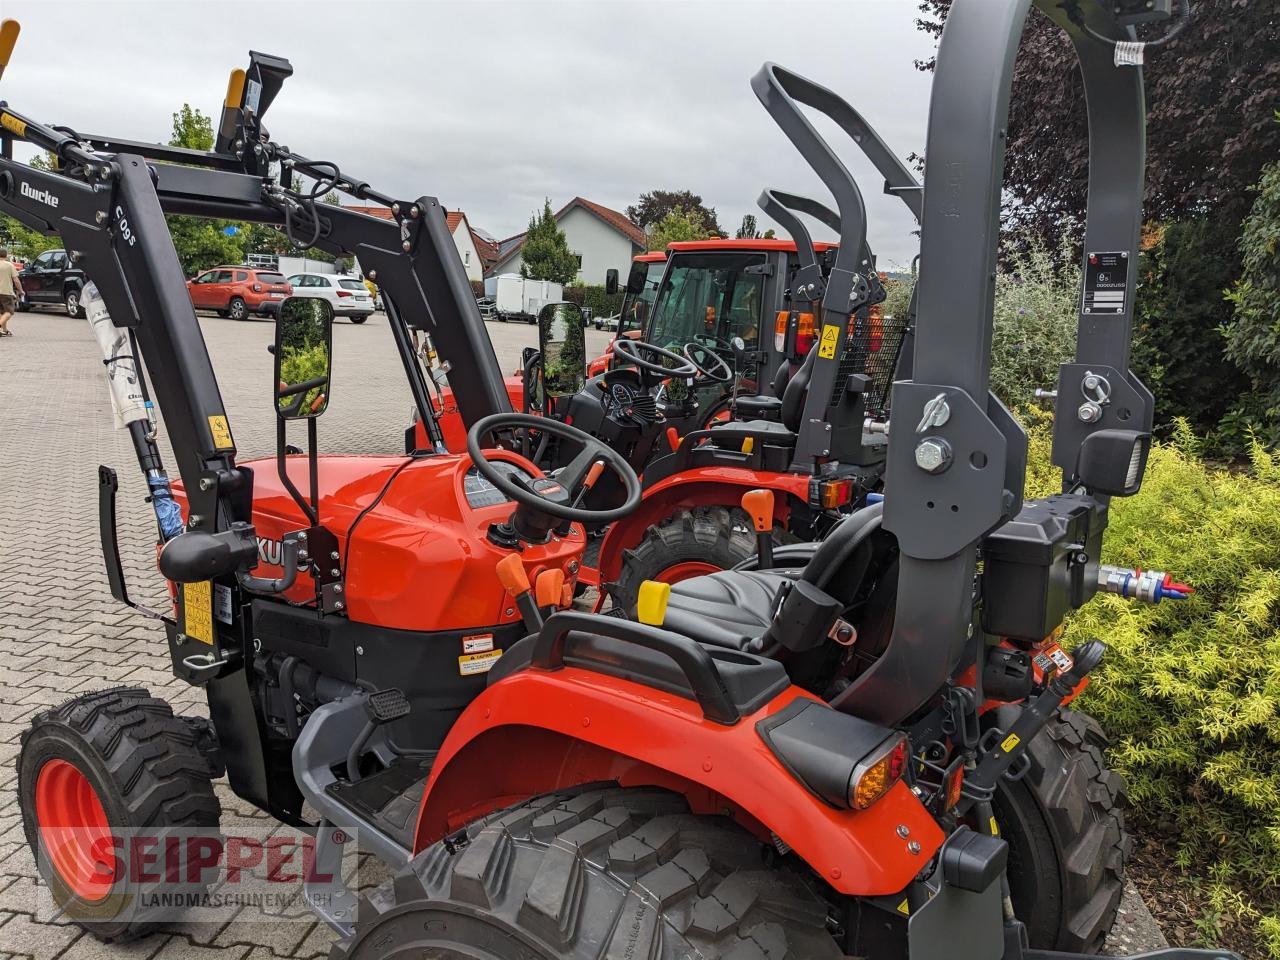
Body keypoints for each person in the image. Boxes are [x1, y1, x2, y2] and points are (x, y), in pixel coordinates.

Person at [0, 248, 23, 337]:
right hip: (6, 292)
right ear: (6, 256)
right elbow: (16, 280)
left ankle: (4, 330)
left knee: (2, 312)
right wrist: (21, 291)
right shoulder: (9, 265)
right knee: (9, 311)